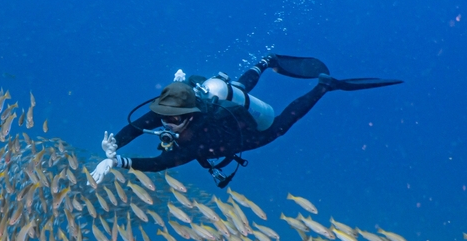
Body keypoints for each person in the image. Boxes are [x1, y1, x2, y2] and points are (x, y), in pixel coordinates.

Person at [91, 54, 402, 188]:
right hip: (219, 97)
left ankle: (324, 86)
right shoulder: (172, 109)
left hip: (244, 131)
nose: (165, 123)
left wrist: (120, 162)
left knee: (279, 126)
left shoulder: (203, 137)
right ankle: (264, 62)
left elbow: (162, 163)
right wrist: (115, 144)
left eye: (173, 119)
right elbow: (137, 126)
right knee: (235, 88)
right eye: (164, 116)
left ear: (190, 114)